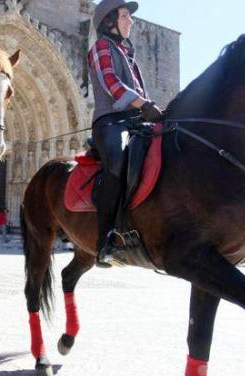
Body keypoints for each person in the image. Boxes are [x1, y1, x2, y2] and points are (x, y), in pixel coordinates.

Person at [88, 0, 164, 266]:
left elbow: (143, 95)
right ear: (109, 22)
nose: (130, 20)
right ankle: (104, 241)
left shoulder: (129, 57)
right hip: (110, 122)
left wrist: (155, 111)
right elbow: (112, 84)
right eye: (124, 16)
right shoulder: (101, 48)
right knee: (118, 162)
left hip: (134, 122)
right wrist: (144, 105)